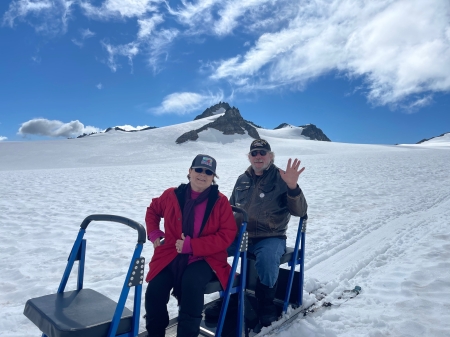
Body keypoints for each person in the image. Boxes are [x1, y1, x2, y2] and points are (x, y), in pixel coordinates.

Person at [205, 139, 308, 327]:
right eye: (254, 153)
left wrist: (293, 187)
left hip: (271, 236)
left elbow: (300, 211)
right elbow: (230, 208)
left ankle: (266, 304)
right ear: (249, 157)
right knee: (210, 250)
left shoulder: (282, 178)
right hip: (240, 235)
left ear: (270, 156)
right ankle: (232, 295)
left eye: (262, 153)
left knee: (267, 261)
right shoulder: (242, 179)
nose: (258, 157)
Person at [144, 154, 237, 337]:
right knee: (155, 289)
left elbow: (226, 235)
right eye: (199, 170)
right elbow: (153, 210)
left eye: (208, 172)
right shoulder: (172, 194)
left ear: (213, 177)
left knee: (191, 283)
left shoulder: (220, 201)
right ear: (190, 171)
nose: (203, 175)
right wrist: (154, 232)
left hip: (206, 257)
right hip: (172, 253)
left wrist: (193, 246)